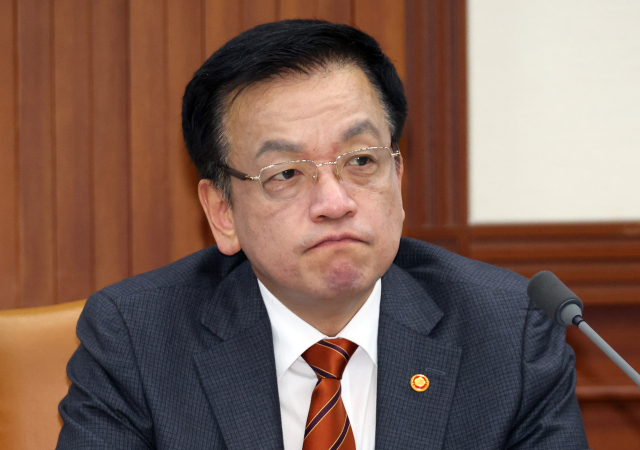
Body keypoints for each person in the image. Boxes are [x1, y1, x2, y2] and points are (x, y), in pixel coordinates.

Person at [56, 20, 588, 449]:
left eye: (361, 161)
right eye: (286, 173)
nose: (335, 203)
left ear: (398, 179)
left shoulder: (508, 332)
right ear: (222, 212)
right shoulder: (138, 340)